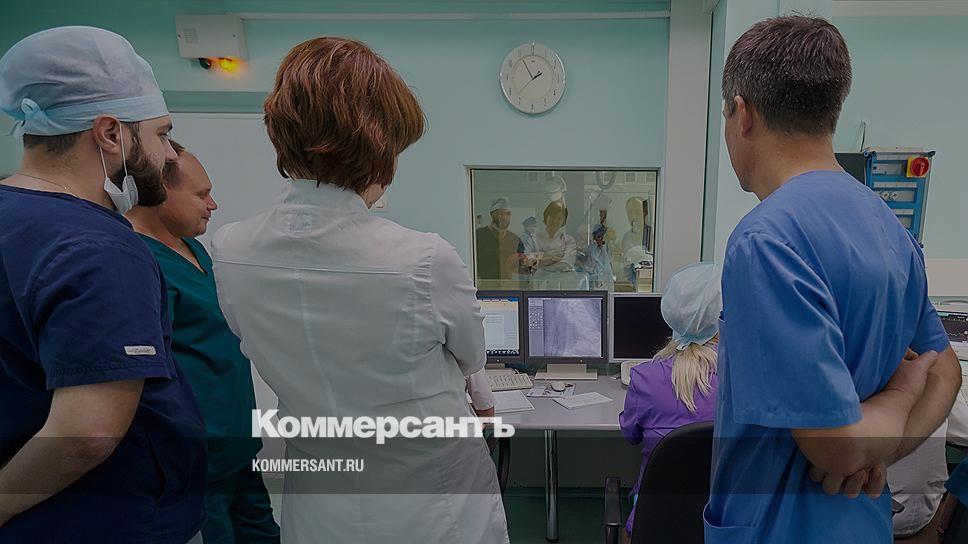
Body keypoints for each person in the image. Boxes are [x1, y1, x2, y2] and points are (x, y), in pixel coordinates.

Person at [210, 37, 509, 543]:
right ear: (376, 146)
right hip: (431, 496)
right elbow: (472, 356)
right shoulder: (423, 259)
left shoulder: (231, 248)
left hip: (321, 495)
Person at [705, 16, 962, 544]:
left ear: (742, 114)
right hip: (860, 521)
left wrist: (884, 414)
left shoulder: (766, 241)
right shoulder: (889, 228)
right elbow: (944, 371)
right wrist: (878, 446)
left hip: (781, 529)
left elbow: (837, 448)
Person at [0, 27, 206, 542]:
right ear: (110, 133)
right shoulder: (100, 247)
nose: (171, 155)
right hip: (97, 521)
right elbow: (86, 434)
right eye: (161, 134)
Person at [126, 141, 281, 543]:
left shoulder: (192, 249)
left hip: (238, 448)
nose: (213, 204)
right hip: (196, 461)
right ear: (160, 192)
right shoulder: (137, 261)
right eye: (201, 194)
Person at [619, 262, 721, 539]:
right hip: (723, 517)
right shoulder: (743, 379)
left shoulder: (644, 378)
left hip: (654, 519)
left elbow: (630, 435)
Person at [887, 388, 968, 537]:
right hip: (926, 510)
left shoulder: (861, 389)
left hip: (879, 511)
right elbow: (965, 432)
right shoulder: (941, 383)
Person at [475, 196, 521, 280]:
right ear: (492, 214)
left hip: (508, 285)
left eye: (508, 214)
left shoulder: (515, 240)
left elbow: (521, 265)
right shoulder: (479, 236)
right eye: (501, 213)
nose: (504, 217)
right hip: (485, 285)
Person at [578, 224, 615, 291]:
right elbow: (584, 262)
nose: (600, 239)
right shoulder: (590, 249)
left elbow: (608, 265)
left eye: (601, 236)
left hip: (605, 279)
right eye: (598, 236)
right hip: (592, 280)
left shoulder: (607, 248)